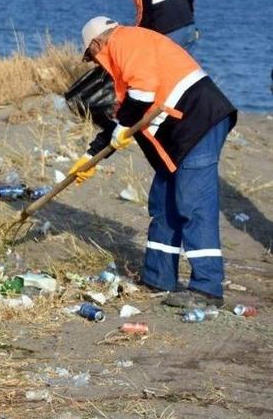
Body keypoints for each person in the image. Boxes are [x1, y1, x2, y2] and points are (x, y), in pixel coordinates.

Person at [69, 16, 237, 308]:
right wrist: (89, 157)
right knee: (164, 204)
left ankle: (207, 289)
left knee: (193, 204)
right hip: (179, 137)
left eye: (92, 57)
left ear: (96, 44)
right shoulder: (126, 64)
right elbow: (122, 119)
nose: (96, 64)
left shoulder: (125, 42)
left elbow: (142, 94)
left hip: (198, 122)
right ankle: (159, 278)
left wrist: (124, 126)